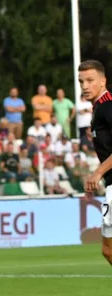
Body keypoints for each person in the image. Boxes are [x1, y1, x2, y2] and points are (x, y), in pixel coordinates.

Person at [78, 60, 112, 266]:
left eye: (90, 80)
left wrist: (98, 172)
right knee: (108, 250)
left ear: (103, 81)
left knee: (108, 250)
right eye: (81, 81)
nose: (84, 86)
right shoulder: (99, 109)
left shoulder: (107, 107)